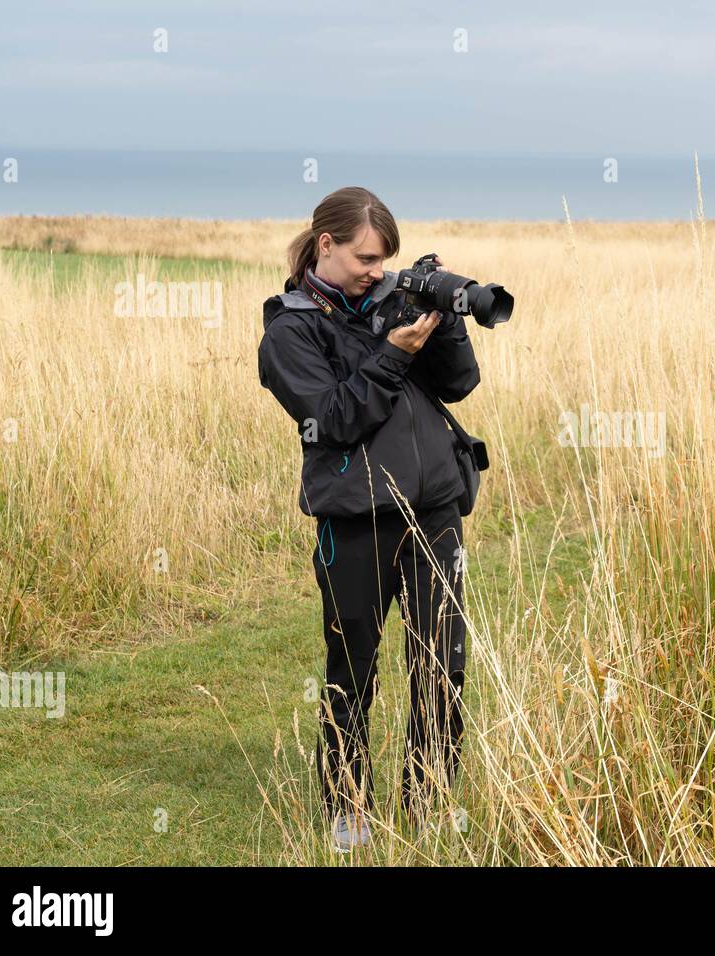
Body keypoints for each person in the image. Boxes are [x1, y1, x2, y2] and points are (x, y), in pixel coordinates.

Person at [257, 186, 480, 851]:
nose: (376, 270)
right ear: (326, 245)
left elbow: (461, 383)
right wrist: (394, 353)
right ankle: (349, 806)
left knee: (443, 662)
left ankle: (429, 799)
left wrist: (446, 314)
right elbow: (335, 418)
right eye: (365, 257)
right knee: (352, 666)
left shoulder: (393, 302)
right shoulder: (289, 329)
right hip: (354, 519)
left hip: (434, 509)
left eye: (385, 259)